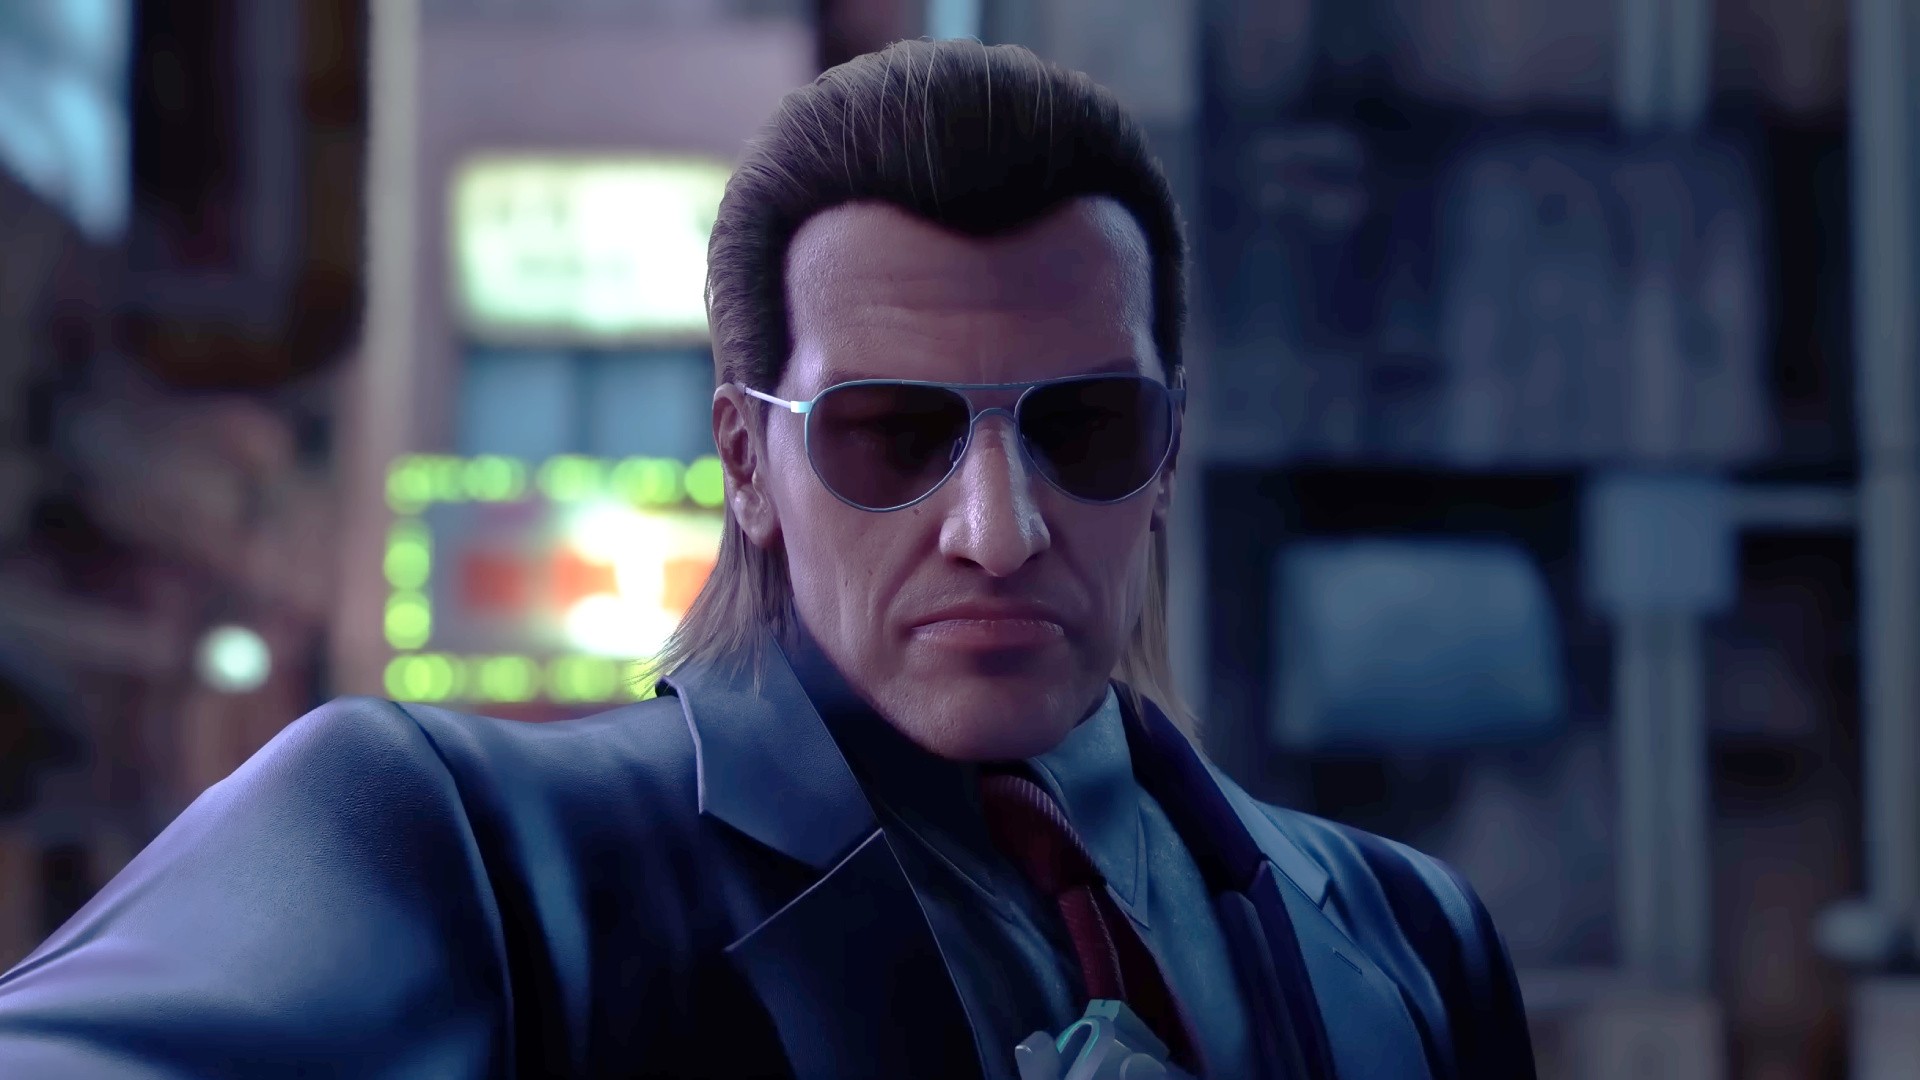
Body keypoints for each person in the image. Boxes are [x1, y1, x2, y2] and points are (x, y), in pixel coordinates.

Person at [0, 39, 1535, 1079]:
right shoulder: (456, 855)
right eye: (892, 434)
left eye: (1084, 428)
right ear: (748, 462)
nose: (997, 530)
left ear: (1171, 446)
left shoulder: (1409, 940)